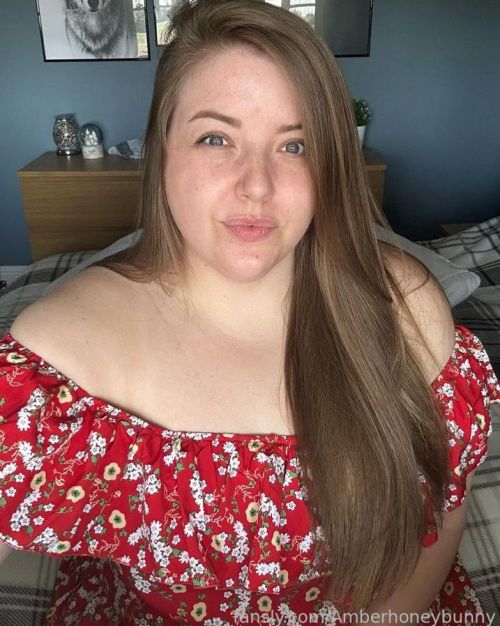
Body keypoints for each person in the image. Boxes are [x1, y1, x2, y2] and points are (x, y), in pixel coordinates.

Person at [0, 1, 498, 624]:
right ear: (161, 149)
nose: (257, 185)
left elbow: (447, 501)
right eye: (216, 138)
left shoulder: (406, 307)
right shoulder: (60, 355)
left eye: (294, 145)